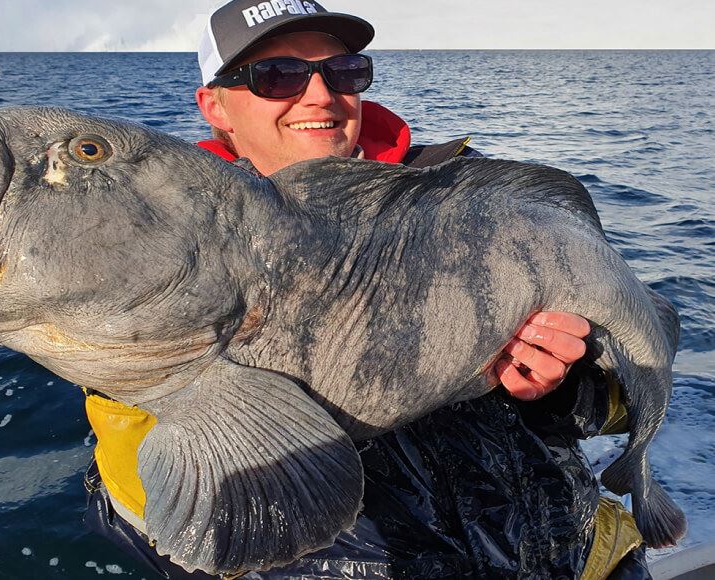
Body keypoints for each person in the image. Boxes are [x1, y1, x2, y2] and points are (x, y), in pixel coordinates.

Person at [83, 2, 652, 577]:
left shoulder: (475, 197)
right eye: (277, 76)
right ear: (216, 106)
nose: (319, 95)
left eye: (344, 71)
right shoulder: (158, 254)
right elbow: (158, 510)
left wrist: (560, 383)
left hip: (583, 561)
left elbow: (618, 401)